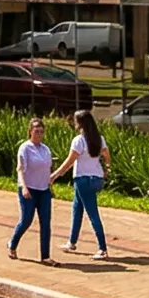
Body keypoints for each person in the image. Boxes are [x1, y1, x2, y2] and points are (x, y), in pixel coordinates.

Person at [54, 108, 110, 258]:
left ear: (80, 124)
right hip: (96, 179)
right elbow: (107, 156)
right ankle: (71, 242)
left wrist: (55, 175)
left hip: (82, 180)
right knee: (77, 208)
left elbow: (69, 161)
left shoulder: (79, 140)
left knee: (92, 213)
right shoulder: (99, 138)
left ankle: (102, 248)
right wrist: (106, 170)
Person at [8, 117, 55, 264]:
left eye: (41, 132)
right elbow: (20, 170)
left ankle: (45, 256)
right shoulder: (25, 148)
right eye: (36, 131)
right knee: (27, 219)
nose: (39, 134)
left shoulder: (45, 149)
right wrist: (24, 187)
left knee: (46, 223)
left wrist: (50, 187)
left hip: (43, 190)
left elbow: (47, 170)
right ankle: (13, 244)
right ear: (30, 132)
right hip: (29, 189)